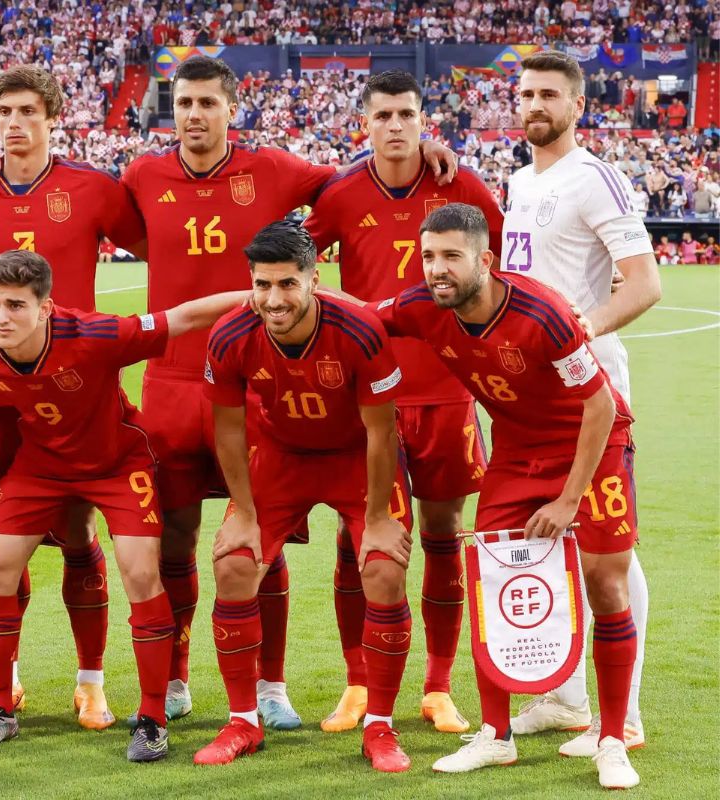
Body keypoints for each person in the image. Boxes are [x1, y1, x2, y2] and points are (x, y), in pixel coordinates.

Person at [121, 55, 458, 726]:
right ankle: (178, 677)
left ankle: (270, 687)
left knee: (258, 536)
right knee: (176, 535)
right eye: (184, 103)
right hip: (171, 382)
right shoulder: (140, 175)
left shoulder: (276, 169)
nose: (194, 114)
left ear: (232, 108)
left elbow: (360, 182)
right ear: (171, 110)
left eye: (208, 103)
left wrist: (416, 150)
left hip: (257, 381)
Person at [0, 250, 247, 762]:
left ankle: (152, 718)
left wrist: (260, 295)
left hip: (117, 463)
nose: (0, 317)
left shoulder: (97, 335)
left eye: (15, 305)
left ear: (45, 307)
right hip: (39, 466)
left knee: (141, 573)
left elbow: (184, 317)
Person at [377, 203, 641, 790]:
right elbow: (359, 317)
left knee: (606, 584)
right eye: (428, 256)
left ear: (485, 260)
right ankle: (495, 736)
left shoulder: (542, 313)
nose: (437, 268)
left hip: (593, 445)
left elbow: (599, 406)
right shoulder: (422, 306)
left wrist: (568, 501)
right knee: (491, 579)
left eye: (452, 256)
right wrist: (286, 297)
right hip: (518, 454)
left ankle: (613, 740)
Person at [0, 65, 148, 727]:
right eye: (5, 112)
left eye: (28, 111)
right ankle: (7, 679)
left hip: (78, 398)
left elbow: (162, 242)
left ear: (54, 118)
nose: (15, 123)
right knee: (3, 537)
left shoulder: (93, 188)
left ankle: (91, 681)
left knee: (79, 535)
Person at [303, 69, 503, 735]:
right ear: (364, 122)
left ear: (424, 121)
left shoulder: (461, 185)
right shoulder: (341, 193)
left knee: (443, 534)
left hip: (445, 392)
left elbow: (502, 263)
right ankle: (358, 682)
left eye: (406, 115)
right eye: (382, 115)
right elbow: (297, 262)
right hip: (367, 400)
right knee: (358, 539)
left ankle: (438, 686)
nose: (395, 126)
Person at [197, 222, 414, 771]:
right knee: (234, 563)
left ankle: (380, 726)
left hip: (356, 456)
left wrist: (379, 516)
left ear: (315, 279)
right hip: (281, 455)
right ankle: (243, 721)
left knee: (384, 569)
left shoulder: (359, 330)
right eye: (262, 284)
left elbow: (381, 430)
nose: (274, 299)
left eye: (287, 284)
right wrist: (244, 513)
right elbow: (228, 429)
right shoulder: (229, 335)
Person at [502, 51, 660, 757]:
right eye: (526, 93)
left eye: (549, 94)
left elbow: (644, 284)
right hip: (527, 399)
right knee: (554, 542)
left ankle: (625, 715)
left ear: (577, 105)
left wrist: (578, 331)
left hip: (590, 390)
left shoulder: (595, 177)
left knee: (610, 553)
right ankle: (566, 699)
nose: (535, 104)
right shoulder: (518, 180)